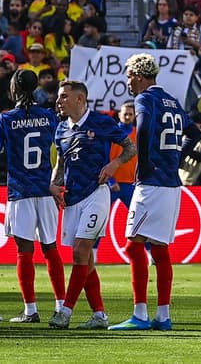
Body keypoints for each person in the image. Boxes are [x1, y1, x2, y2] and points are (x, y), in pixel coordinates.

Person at [109, 53, 199, 331]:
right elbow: (194, 132)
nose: (127, 81)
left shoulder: (145, 99)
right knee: (160, 250)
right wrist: (175, 156)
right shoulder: (172, 100)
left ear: (139, 75)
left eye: (129, 76)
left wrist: (146, 164)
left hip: (151, 183)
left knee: (133, 246)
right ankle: (163, 316)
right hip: (172, 183)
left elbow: (144, 130)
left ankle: (140, 314)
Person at [48, 80, 137, 330]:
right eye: (59, 96)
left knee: (80, 252)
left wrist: (114, 165)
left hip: (96, 193)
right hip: (73, 197)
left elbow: (130, 147)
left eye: (64, 96)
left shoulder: (101, 122)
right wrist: (54, 184)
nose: (59, 101)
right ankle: (99, 314)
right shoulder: (61, 129)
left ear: (80, 99)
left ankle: (65, 311)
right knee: (85, 261)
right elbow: (62, 162)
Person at [0, 69, 66, 324]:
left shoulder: (6, 119)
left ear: (14, 89)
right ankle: (61, 307)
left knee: (24, 252)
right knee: (51, 249)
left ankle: (30, 310)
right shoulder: (48, 116)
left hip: (21, 190)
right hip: (46, 188)